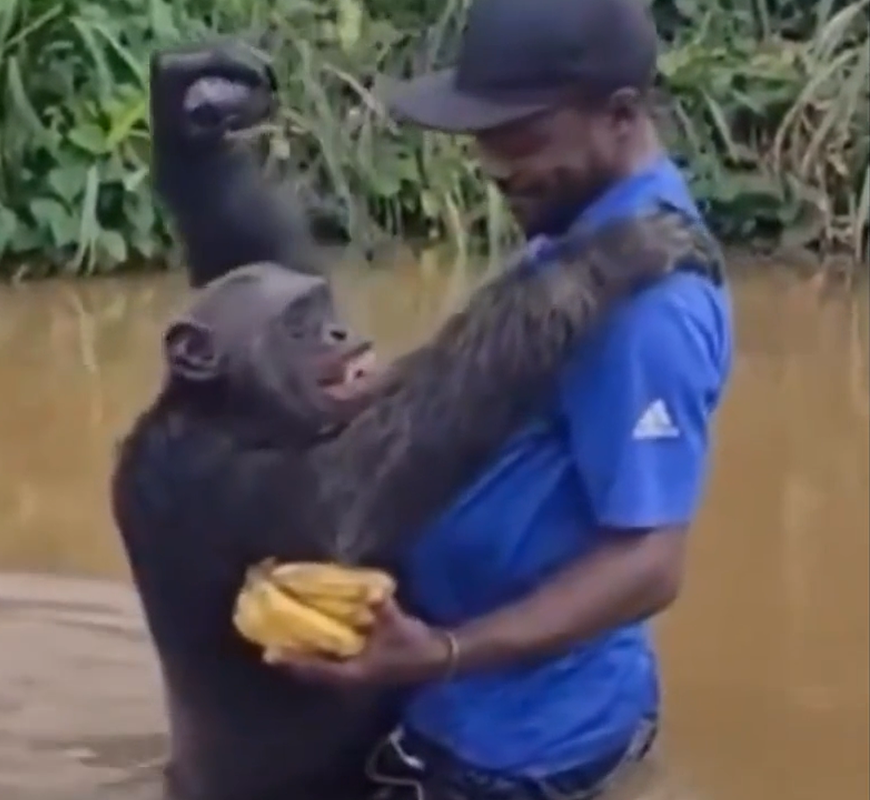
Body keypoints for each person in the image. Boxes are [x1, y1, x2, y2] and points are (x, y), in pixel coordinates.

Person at [269, 0, 735, 797]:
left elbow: (650, 565)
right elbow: (509, 376)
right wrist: (395, 389)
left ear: (618, 116)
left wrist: (446, 651)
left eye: (519, 135)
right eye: (484, 135)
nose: (493, 164)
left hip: (528, 746)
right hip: (452, 700)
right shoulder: (581, 223)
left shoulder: (648, 304)